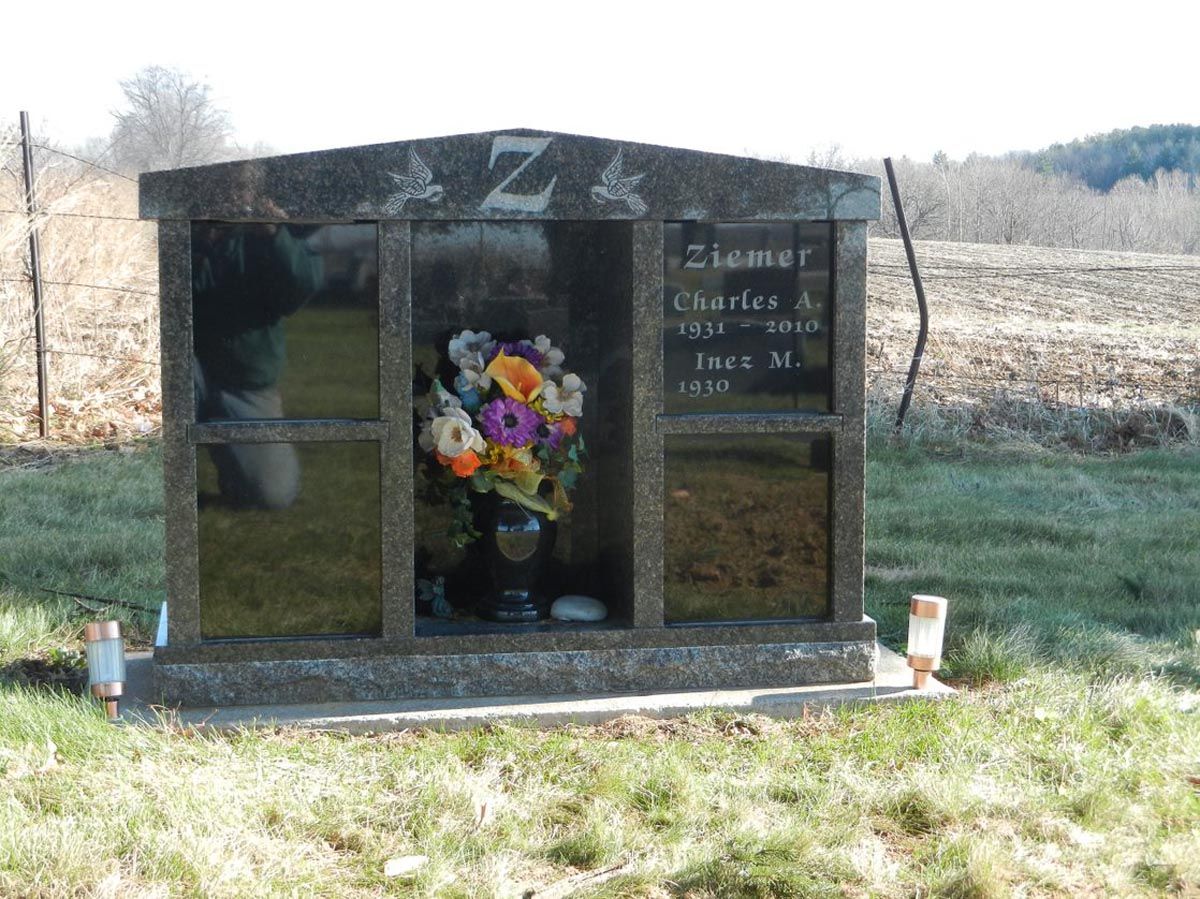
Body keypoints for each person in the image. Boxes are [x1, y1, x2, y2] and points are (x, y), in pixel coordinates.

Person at [192, 222, 323, 509]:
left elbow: (299, 289)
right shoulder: (181, 222)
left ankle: (238, 473)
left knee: (272, 494)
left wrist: (274, 236)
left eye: (244, 188)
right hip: (182, 372)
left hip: (244, 382)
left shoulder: (267, 235)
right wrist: (198, 242)